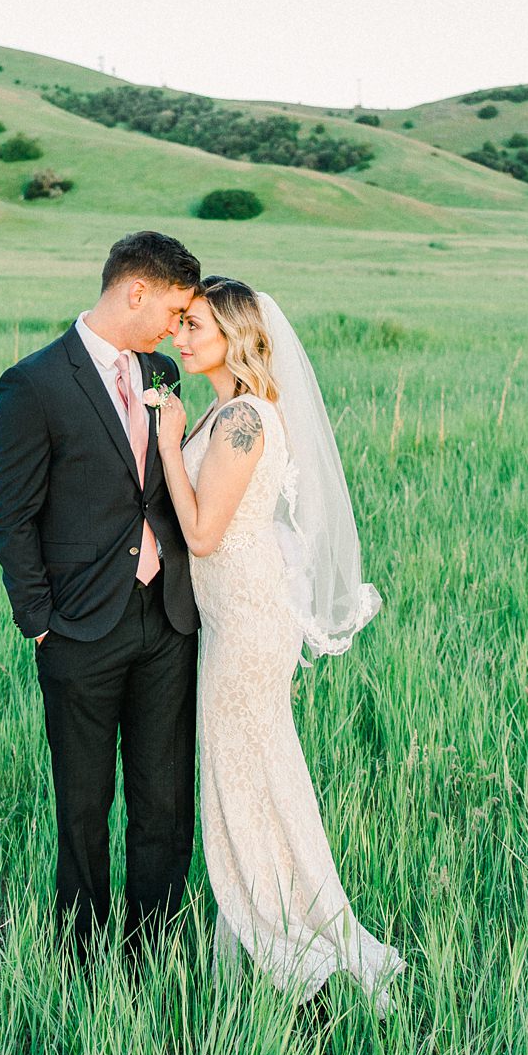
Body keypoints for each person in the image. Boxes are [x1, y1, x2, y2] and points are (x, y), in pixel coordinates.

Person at [154, 277, 403, 1014]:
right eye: (181, 324)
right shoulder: (227, 411)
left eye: (195, 325)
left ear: (237, 335)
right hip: (232, 618)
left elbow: (202, 532)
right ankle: (277, 926)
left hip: (250, 622)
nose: (181, 336)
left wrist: (169, 444)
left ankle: (288, 944)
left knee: (241, 778)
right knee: (259, 775)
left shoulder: (244, 421)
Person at [0, 229, 203, 961]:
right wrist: (38, 622)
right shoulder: (35, 382)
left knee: (164, 802)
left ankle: (156, 953)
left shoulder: (163, 371)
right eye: (173, 310)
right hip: (78, 629)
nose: (177, 328)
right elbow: (13, 515)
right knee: (83, 807)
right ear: (134, 292)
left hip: (168, 618)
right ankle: (80, 960)